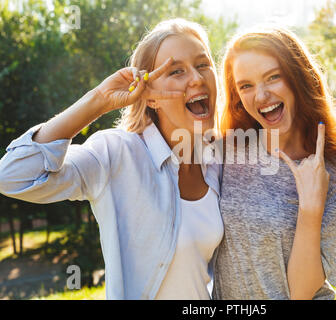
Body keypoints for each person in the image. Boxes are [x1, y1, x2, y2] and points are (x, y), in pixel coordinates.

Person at [0, 19, 224, 300]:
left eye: (203, 65)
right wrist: (100, 99)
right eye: (176, 71)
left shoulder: (217, 162)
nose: (196, 78)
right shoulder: (117, 153)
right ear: (150, 97)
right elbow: (13, 176)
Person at [214, 26, 336, 300]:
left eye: (273, 77)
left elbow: (301, 293)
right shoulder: (229, 152)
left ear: (298, 77)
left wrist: (311, 207)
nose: (261, 96)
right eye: (246, 86)